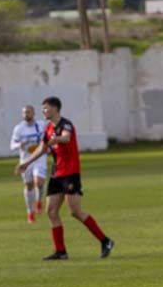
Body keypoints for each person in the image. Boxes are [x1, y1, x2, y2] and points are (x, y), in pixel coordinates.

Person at [17, 96, 114, 260]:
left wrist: (58, 138)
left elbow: (66, 137)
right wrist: (26, 163)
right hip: (56, 174)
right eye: (43, 109)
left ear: (55, 109)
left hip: (71, 174)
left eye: (46, 108)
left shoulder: (65, 124)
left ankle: (105, 241)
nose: (44, 111)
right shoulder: (48, 128)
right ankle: (60, 251)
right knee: (51, 211)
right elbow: (42, 148)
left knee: (75, 212)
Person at [10, 105, 48, 224]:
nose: (26, 114)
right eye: (24, 113)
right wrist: (18, 145)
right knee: (29, 185)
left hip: (39, 158)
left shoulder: (41, 125)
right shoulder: (19, 129)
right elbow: (12, 145)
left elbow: (48, 137)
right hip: (25, 160)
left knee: (39, 182)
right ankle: (30, 212)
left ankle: (38, 200)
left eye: (28, 112)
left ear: (33, 113)